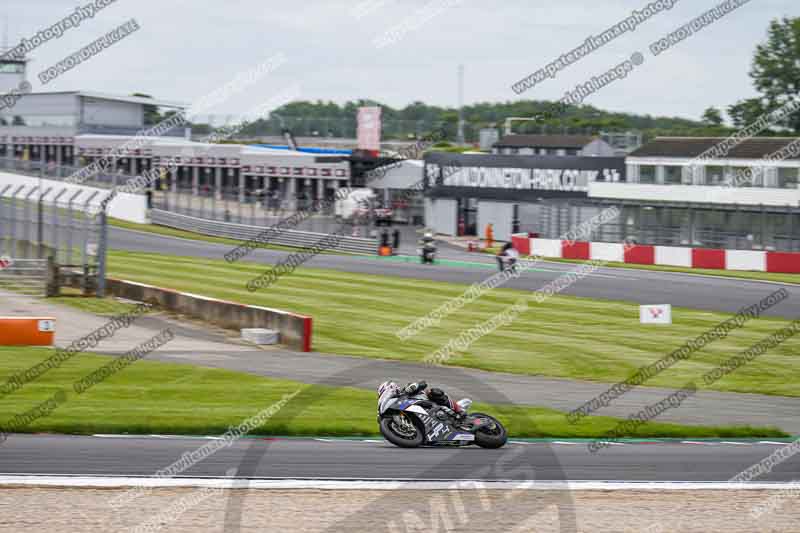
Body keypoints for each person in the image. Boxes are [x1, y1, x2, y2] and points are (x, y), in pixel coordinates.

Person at [379, 380, 472, 417]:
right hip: (423, 414)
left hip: (431, 404)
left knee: (433, 392)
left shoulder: (405, 390)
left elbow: (423, 383)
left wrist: (413, 387)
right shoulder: (395, 404)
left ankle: (458, 409)